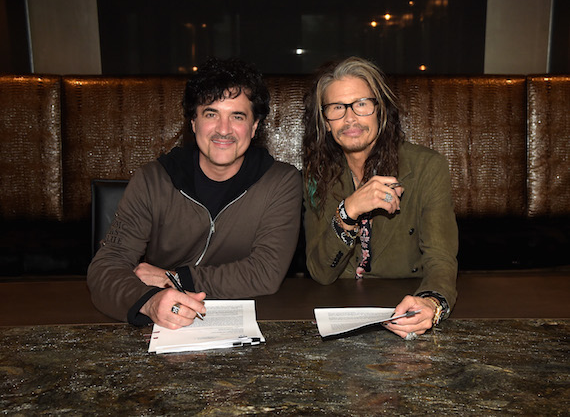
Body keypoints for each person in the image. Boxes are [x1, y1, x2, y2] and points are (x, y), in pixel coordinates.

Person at [88, 57, 302, 329]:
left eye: (237, 116)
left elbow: (265, 273)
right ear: (193, 122)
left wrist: (177, 278)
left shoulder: (280, 182)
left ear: (254, 126)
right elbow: (106, 267)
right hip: (163, 327)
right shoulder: (153, 180)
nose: (223, 130)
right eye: (211, 114)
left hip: (249, 324)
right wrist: (150, 302)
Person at [302, 56, 458, 340]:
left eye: (361, 104)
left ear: (381, 110)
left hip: (404, 306)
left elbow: (441, 258)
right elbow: (321, 273)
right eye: (337, 108)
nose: (350, 118)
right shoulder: (318, 174)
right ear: (325, 122)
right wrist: (347, 211)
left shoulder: (427, 167)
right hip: (339, 312)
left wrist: (432, 303)